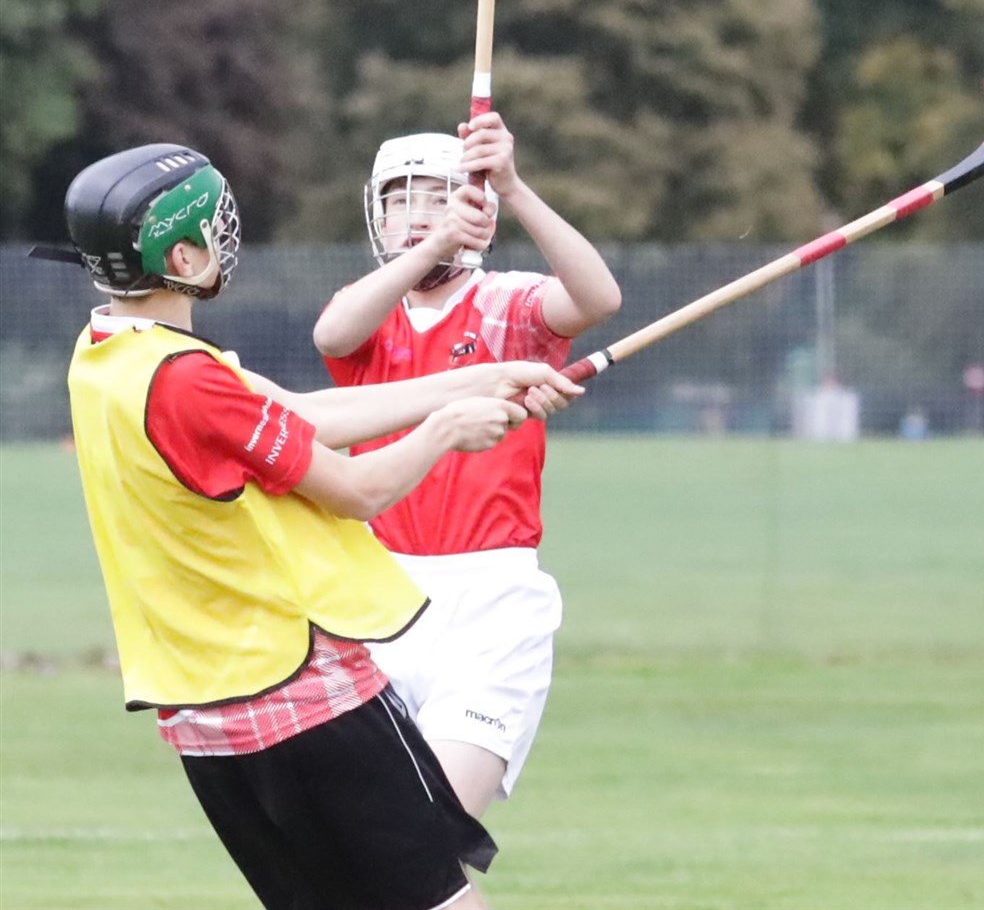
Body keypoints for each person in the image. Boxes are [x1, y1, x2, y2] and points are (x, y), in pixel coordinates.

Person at [45, 141, 581, 910]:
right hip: (301, 692)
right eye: (218, 227)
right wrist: (446, 429)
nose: (232, 239)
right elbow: (358, 489)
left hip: (202, 714)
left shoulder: (107, 358)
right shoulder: (189, 379)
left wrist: (487, 376)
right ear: (185, 256)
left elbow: (300, 415)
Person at [313, 112, 621, 817]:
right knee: (362, 846)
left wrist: (513, 186)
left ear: (474, 209)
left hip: (489, 598)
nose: (416, 216)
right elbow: (331, 333)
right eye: (400, 200)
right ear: (378, 217)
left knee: (429, 835)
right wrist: (433, 248)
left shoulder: (505, 305)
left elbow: (598, 299)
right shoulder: (366, 311)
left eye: (437, 197)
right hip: (375, 595)